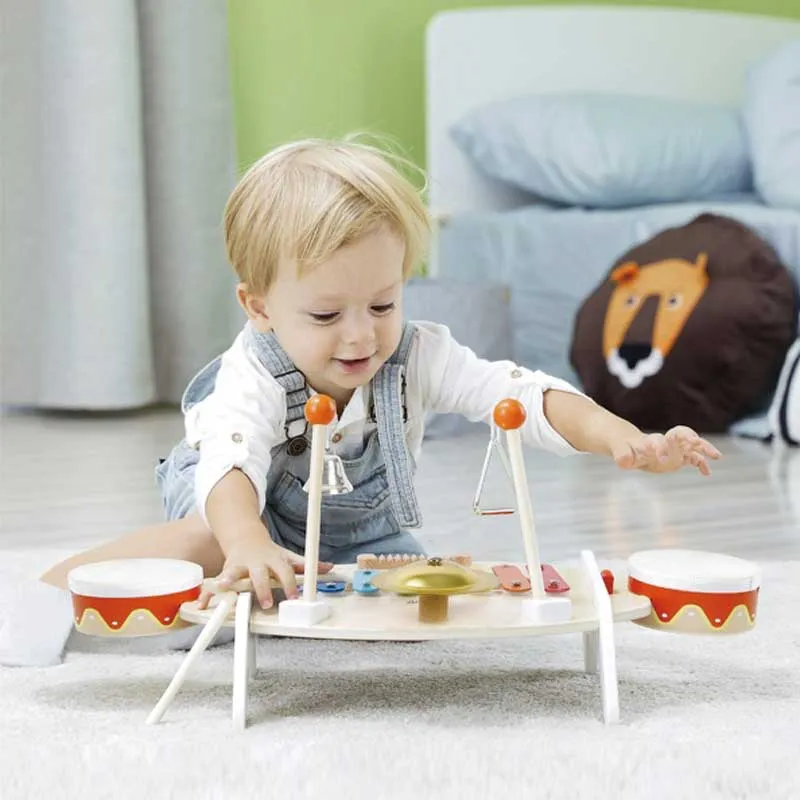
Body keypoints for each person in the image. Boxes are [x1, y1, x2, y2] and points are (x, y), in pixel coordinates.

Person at [3, 137, 720, 667]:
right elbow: (230, 460)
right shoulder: (251, 375)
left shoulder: (418, 354)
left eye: (383, 302)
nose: (360, 335)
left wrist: (621, 435)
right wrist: (249, 542)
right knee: (207, 547)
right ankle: (36, 599)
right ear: (259, 307)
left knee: (424, 603)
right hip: (239, 508)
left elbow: (521, 395)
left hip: (358, 538)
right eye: (325, 316)